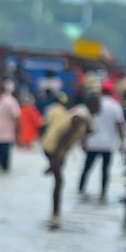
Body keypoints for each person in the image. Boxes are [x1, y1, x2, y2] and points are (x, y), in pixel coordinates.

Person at [41, 94, 96, 228]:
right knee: (59, 181)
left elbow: (87, 131)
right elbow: (64, 136)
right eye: (98, 104)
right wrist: (55, 157)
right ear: (92, 105)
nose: (100, 107)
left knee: (58, 177)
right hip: (54, 149)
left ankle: (55, 214)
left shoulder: (83, 116)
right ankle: (55, 215)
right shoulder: (80, 117)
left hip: (57, 149)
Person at [78, 81, 126, 200]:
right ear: (111, 91)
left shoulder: (93, 104)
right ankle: (103, 193)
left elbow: (85, 125)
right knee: (105, 171)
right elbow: (120, 126)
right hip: (108, 144)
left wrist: (83, 141)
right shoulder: (115, 106)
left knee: (86, 169)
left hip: (92, 143)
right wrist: (122, 143)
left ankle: (80, 191)